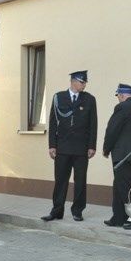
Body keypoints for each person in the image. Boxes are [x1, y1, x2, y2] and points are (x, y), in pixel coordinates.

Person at [42, 70, 97, 222]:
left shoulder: (89, 99)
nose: (84, 84)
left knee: (80, 181)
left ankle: (77, 210)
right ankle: (57, 210)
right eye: (82, 82)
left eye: (85, 82)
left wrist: (92, 146)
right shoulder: (59, 97)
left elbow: (93, 124)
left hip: (81, 147)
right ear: (73, 81)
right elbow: (53, 122)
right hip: (63, 147)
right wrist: (52, 145)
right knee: (60, 180)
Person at [103, 84, 131, 227]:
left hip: (122, 154)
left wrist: (106, 148)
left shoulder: (122, 107)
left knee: (126, 187)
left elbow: (112, 130)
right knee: (119, 185)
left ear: (121, 95)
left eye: (118, 96)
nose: (118, 99)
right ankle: (118, 217)